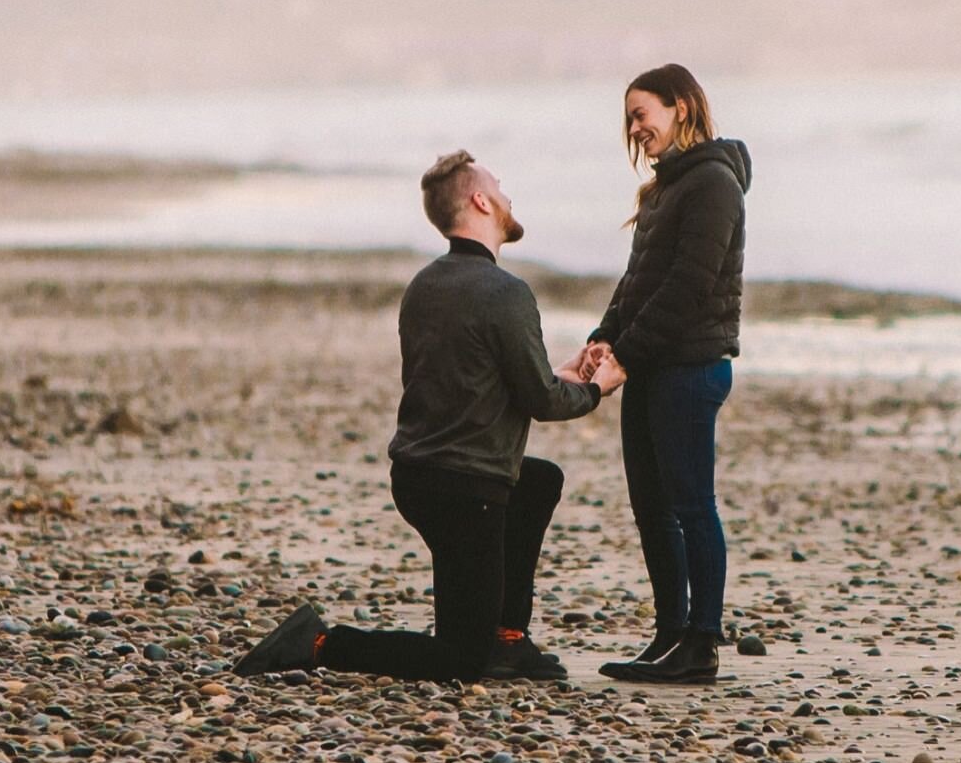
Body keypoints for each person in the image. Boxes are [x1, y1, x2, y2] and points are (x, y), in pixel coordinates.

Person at [236, 150, 626, 683]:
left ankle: (507, 639)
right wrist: (599, 388)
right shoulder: (505, 293)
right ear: (480, 201)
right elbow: (539, 402)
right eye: (499, 186)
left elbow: (478, 384)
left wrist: (566, 373)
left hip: (421, 480)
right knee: (459, 660)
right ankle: (321, 642)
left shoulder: (425, 285)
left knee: (538, 480)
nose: (508, 195)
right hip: (468, 493)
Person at [577, 63, 751, 686]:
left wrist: (628, 356)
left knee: (691, 506)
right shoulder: (665, 187)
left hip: (690, 368)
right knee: (653, 508)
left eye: (641, 112)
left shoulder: (712, 185)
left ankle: (702, 643)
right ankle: (670, 633)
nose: (635, 127)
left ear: (681, 106)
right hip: (651, 367)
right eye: (629, 117)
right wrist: (603, 338)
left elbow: (686, 288)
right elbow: (638, 280)